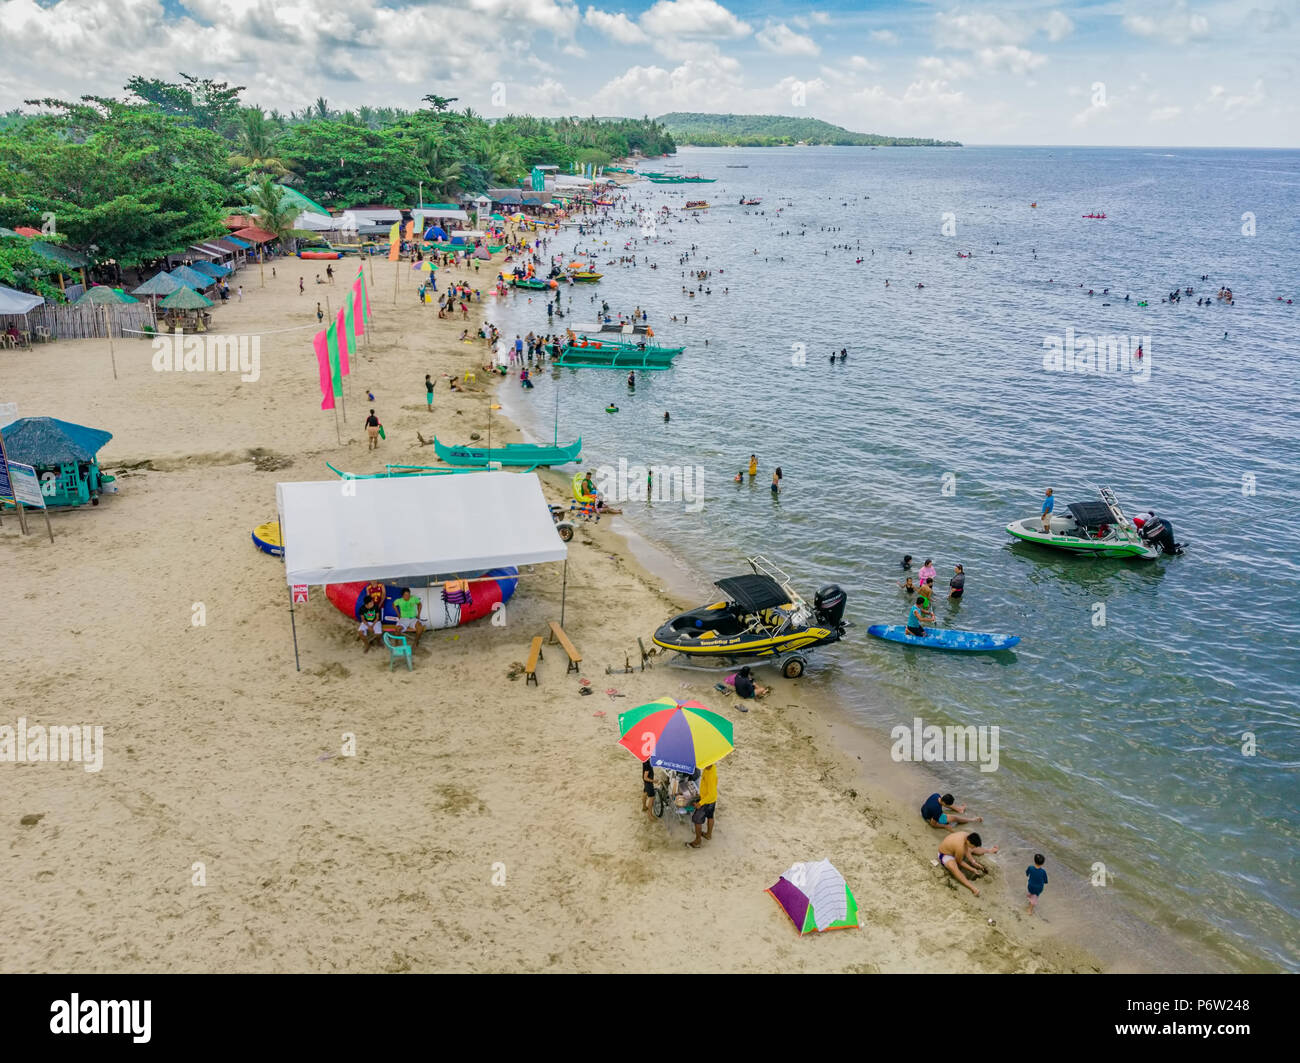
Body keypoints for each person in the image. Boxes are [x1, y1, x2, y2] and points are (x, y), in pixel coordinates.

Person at [937, 831, 999, 896]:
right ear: (968, 841)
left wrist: (973, 862)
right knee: (954, 867)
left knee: (971, 849)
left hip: (954, 848)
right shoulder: (960, 847)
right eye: (973, 846)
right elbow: (959, 862)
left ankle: (989, 850)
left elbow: (966, 849)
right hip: (944, 854)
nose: (973, 847)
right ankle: (973, 888)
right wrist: (972, 869)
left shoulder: (966, 835)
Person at [688, 762, 718, 847]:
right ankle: (708, 835)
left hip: (707, 801)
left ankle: (698, 841)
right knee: (710, 816)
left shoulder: (711, 775)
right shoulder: (711, 767)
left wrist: (700, 803)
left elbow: (711, 794)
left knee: (697, 820)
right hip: (712, 799)